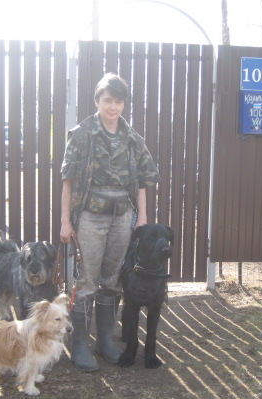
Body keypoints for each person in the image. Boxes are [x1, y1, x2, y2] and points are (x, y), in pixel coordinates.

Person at [60, 73, 160, 372]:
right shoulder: (81, 135)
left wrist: (142, 218)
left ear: (124, 104)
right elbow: (68, 181)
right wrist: (65, 221)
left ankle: (105, 341)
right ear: (97, 101)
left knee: (112, 281)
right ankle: (80, 344)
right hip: (90, 217)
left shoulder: (133, 139)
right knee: (87, 281)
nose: (113, 107)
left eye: (118, 101)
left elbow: (143, 180)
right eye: (107, 101)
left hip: (122, 219)